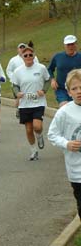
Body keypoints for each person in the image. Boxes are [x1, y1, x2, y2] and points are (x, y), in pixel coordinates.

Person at [48, 69, 81, 219]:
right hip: (77, 171)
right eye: (74, 89)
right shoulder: (64, 112)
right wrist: (66, 143)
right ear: (68, 92)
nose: (79, 91)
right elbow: (52, 134)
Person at [12, 45, 50, 161]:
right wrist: (17, 94)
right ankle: (33, 151)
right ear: (22, 57)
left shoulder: (41, 68)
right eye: (25, 55)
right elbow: (15, 86)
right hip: (25, 103)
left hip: (38, 102)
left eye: (30, 55)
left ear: (34, 56)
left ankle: (39, 135)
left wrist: (43, 90)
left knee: (37, 126)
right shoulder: (18, 71)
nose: (28, 57)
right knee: (28, 129)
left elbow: (48, 80)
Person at [48, 35, 81, 107]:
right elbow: (50, 69)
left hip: (77, 89)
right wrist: (52, 80)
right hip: (62, 89)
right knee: (65, 107)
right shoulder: (58, 57)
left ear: (76, 44)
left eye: (72, 44)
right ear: (64, 45)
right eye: (68, 45)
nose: (70, 47)